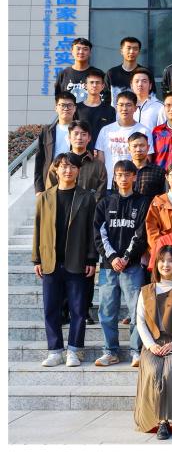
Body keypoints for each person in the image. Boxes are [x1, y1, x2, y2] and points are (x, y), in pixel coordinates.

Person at [33, 153, 98, 368]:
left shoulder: (87, 197)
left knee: (78, 310)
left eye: (72, 167)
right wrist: (37, 259)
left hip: (77, 262)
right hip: (50, 261)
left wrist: (91, 259)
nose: (68, 171)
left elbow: (92, 231)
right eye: (63, 166)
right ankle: (54, 351)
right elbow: (37, 229)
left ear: (78, 170)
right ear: (56, 169)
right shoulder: (44, 197)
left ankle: (74, 350)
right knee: (51, 309)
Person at [133, 246, 172, 438]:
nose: (165, 264)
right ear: (156, 264)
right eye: (162, 260)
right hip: (153, 343)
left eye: (170, 261)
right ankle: (163, 421)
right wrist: (150, 345)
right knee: (154, 372)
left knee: (170, 372)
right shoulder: (146, 291)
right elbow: (140, 322)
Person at [93, 160, 150, 368]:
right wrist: (112, 257)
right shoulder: (105, 203)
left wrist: (126, 257)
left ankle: (136, 351)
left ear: (134, 177)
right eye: (119, 175)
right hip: (109, 267)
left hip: (132, 266)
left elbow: (141, 233)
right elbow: (99, 234)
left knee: (136, 311)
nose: (123, 178)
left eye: (127, 174)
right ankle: (110, 351)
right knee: (107, 311)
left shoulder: (143, 202)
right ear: (114, 178)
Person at [97, 91, 152, 190]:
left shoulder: (144, 131)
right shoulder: (106, 130)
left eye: (128, 105)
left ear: (135, 108)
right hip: (109, 185)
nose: (124, 108)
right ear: (116, 107)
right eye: (121, 105)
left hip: (135, 186)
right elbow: (100, 161)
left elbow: (147, 160)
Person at [44, 120, 107, 197]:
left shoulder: (98, 165)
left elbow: (100, 193)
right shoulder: (59, 163)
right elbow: (50, 190)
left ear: (89, 138)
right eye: (76, 134)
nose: (79, 137)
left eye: (83, 134)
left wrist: (90, 202)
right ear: (69, 137)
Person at [34, 92, 78, 194]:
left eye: (69, 105)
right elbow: (39, 161)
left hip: (73, 177)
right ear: (56, 108)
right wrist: (39, 189)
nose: (66, 108)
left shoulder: (81, 131)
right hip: (51, 177)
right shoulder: (47, 131)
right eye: (62, 105)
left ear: (75, 108)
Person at [75, 69, 116, 150]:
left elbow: (112, 134)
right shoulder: (77, 109)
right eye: (91, 82)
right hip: (81, 152)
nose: (94, 85)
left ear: (102, 86)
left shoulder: (110, 110)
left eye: (97, 82)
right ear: (85, 86)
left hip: (103, 152)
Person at [53, 37, 103, 102]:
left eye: (85, 49)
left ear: (90, 53)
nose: (81, 52)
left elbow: (103, 97)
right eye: (78, 49)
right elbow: (58, 98)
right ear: (72, 51)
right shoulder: (63, 74)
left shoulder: (98, 74)